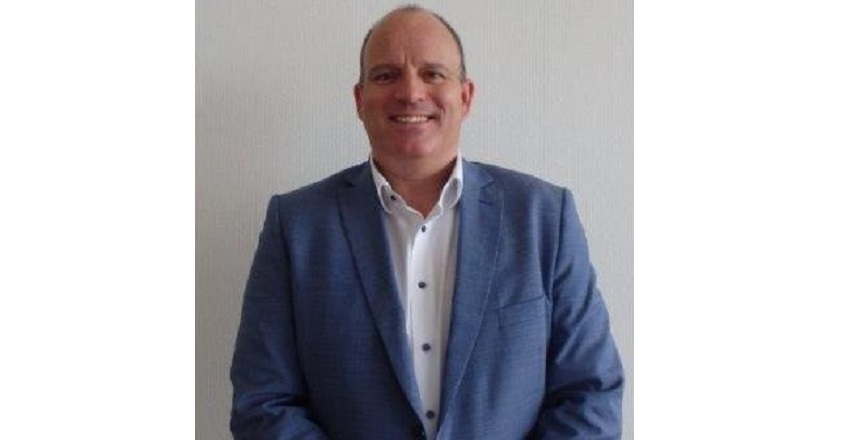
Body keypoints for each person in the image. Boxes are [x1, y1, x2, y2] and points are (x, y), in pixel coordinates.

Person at [230, 5, 624, 439]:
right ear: (360, 99)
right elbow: (263, 402)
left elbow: (590, 393)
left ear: (465, 96)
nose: (411, 92)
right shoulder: (297, 228)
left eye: (433, 74)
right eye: (386, 75)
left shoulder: (544, 219)